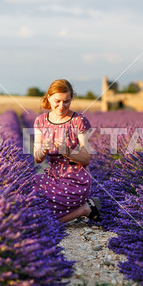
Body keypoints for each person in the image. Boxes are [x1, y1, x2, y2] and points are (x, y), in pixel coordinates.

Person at [33, 79, 102, 223]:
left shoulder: (79, 121)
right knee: (25, 188)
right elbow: (37, 159)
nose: (61, 106)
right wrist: (44, 149)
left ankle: (83, 209)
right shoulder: (40, 121)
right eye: (57, 101)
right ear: (49, 98)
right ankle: (85, 209)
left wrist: (67, 151)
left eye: (66, 101)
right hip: (52, 177)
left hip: (75, 182)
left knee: (40, 218)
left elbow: (86, 158)